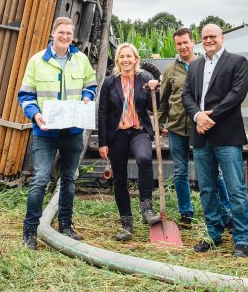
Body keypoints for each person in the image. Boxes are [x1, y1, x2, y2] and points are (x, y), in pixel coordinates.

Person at [18, 16, 97, 250]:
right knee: (40, 179)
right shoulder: (37, 61)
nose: (65, 36)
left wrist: (87, 97)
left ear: (73, 36)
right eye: (61, 32)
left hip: (72, 131)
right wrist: (35, 114)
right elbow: (26, 95)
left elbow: (91, 86)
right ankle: (30, 231)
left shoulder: (81, 60)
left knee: (69, 179)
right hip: (45, 132)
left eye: (69, 33)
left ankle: (65, 226)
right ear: (53, 33)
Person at [182, 24, 248, 257]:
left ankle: (243, 238)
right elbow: (186, 95)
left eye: (213, 36)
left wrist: (210, 117)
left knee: (235, 189)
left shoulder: (237, 62)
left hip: (227, 134)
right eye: (204, 37)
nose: (208, 40)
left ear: (222, 37)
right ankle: (213, 233)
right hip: (201, 135)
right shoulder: (195, 65)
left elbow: (237, 93)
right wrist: (197, 116)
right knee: (206, 189)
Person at [157, 27, 233, 230]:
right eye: (178, 44)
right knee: (180, 172)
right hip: (177, 128)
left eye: (186, 42)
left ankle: (226, 212)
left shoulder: (204, 64)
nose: (183, 46)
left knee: (213, 172)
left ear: (193, 42)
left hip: (201, 127)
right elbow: (164, 101)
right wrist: (160, 124)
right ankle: (186, 213)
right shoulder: (170, 70)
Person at [98, 43, 161, 241]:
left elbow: (154, 106)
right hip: (117, 134)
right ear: (117, 60)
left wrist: (155, 90)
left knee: (144, 159)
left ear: (136, 59)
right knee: (119, 178)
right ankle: (126, 224)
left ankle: (146, 209)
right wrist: (102, 142)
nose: (126, 60)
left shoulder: (145, 78)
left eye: (129, 56)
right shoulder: (110, 82)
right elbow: (103, 112)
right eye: (122, 56)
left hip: (138, 130)